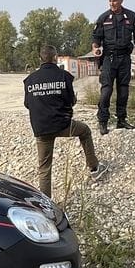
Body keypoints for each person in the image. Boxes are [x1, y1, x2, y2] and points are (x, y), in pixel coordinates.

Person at [23, 45, 108, 197]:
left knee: (44, 168)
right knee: (85, 131)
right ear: (55, 58)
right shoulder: (64, 76)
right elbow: (71, 101)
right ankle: (94, 168)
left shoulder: (30, 80)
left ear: (40, 59)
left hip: (41, 128)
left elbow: (27, 104)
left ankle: (46, 205)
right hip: (63, 125)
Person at [92, 0, 135, 134]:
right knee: (106, 90)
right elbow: (96, 38)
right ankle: (103, 121)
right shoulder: (103, 18)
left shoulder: (131, 16)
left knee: (123, 90)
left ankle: (121, 120)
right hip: (109, 58)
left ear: (121, 0)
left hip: (124, 58)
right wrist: (95, 49)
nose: (112, 2)